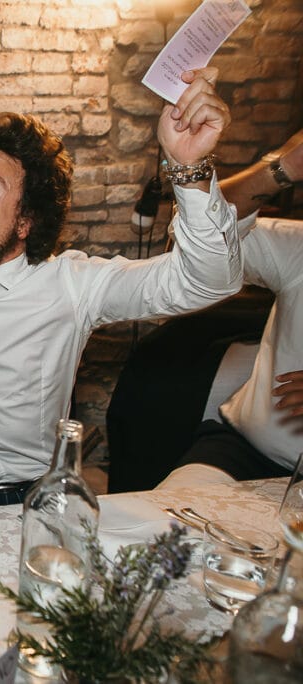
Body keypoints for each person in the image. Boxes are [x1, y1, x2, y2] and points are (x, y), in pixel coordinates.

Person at [0, 67, 241, 506]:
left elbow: (208, 280)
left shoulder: (73, 285)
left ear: (26, 221)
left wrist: (188, 168)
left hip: (30, 501)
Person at [111, 127, 303, 488]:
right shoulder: (298, 250)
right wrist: (283, 168)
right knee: (159, 519)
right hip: (247, 452)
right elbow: (206, 236)